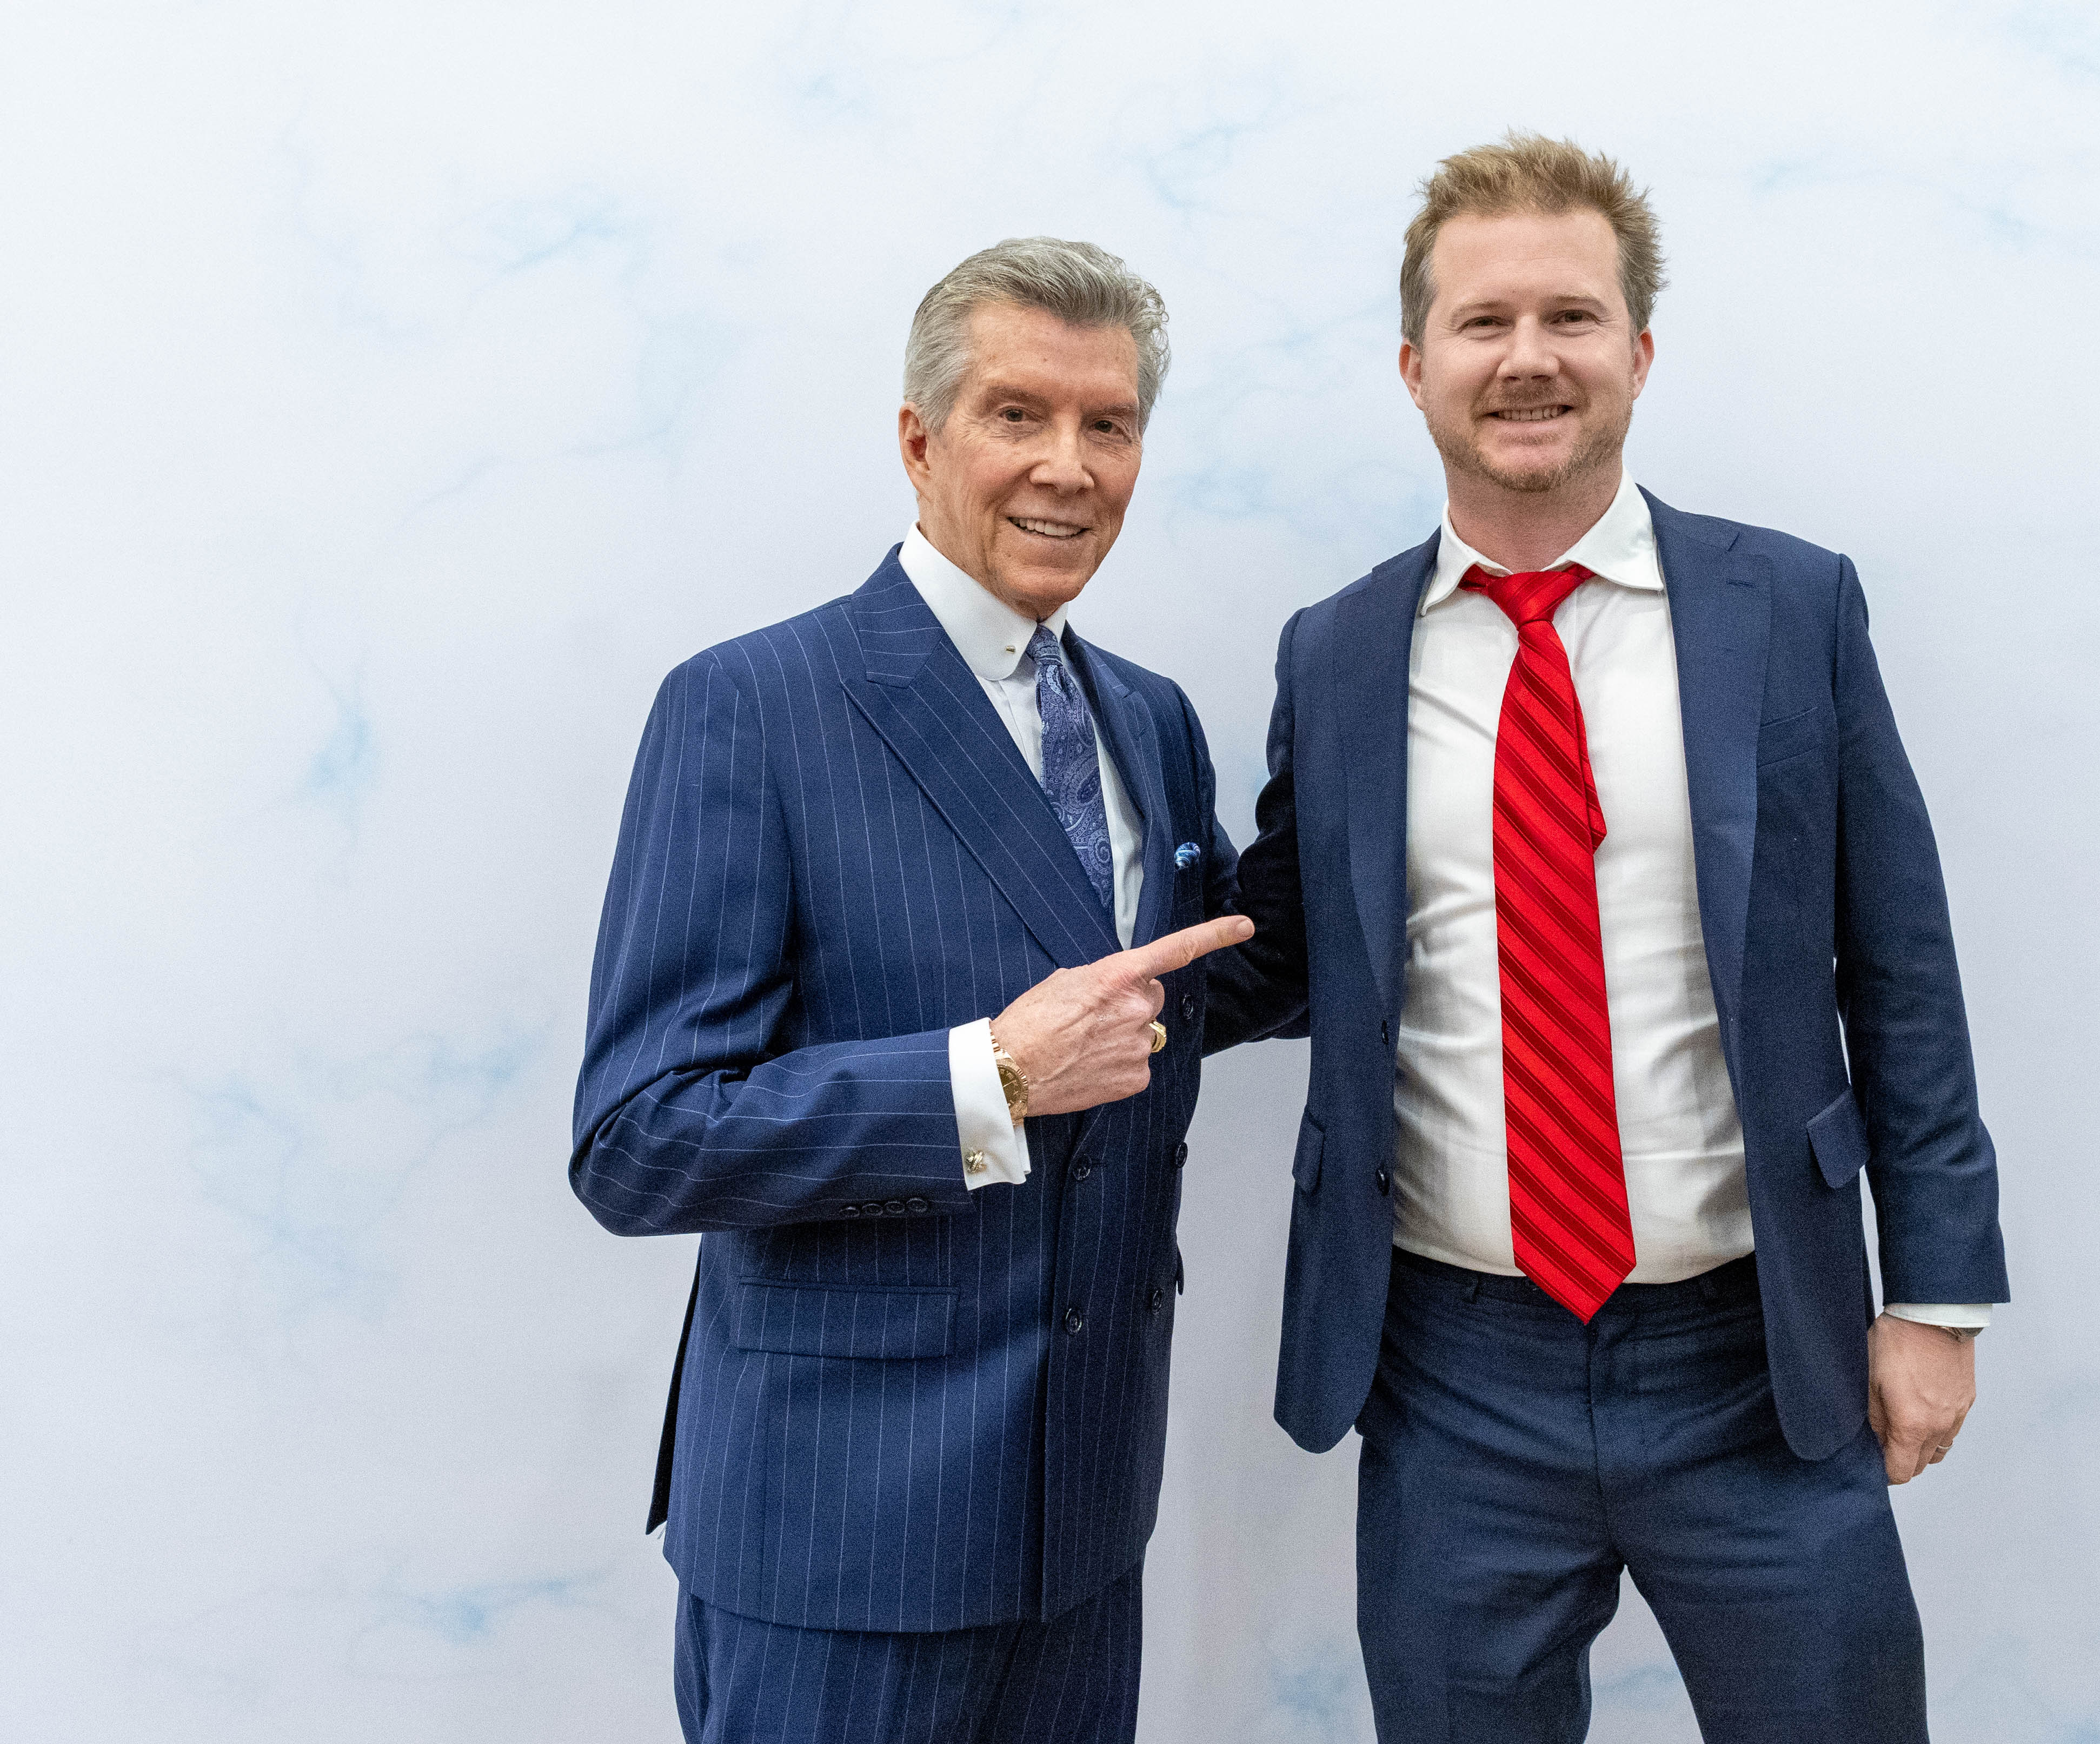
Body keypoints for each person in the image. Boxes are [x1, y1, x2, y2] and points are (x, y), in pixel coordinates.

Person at [1206, 135, 2010, 1742]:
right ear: (1416, 367)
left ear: (1638, 351)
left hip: (1759, 1352)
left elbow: (1900, 962)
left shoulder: (1791, 609)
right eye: (1483, 322)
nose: (1529, 358)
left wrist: (1935, 1293)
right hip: (1451, 1370)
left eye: (1570, 317)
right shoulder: (1338, 651)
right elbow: (1286, 944)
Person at [573, 236, 1251, 1744]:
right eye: (1019, 414)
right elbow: (638, 1139)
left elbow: (1195, 989)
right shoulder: (749, 705)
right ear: (919, 439)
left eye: (1109, 424)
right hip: (839, 1542)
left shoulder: (1153, 719)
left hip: (1086, 1532)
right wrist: (987, 1078)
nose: (1068, 466)